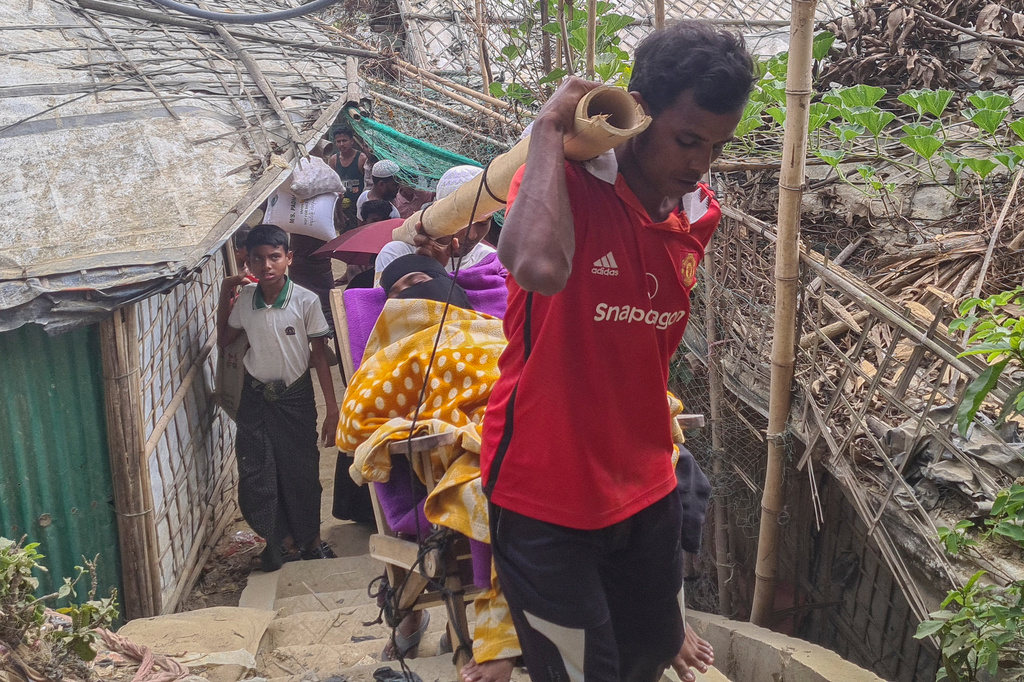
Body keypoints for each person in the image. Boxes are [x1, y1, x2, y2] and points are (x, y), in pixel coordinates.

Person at [479, 20, 755, 682]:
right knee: (581, 673)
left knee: (650, 654)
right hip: (543, 493)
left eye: (716, 146)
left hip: (644, 482)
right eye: (687, 140)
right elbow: (539, 267)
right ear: (638, 112)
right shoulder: (563, 186)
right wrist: (546, 131)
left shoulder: (697, 213)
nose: (699, 163)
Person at [339, 254, 519, 682]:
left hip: (529, 417)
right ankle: (502, 639)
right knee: (499, 493)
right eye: (398, 293)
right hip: (475, 447)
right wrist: (416, 424)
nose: (412, 296)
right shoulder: (398, 350)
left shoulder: (501, 329)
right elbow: (353, 425)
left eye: (420, 282)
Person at [217, 224, 340, 571]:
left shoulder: (305, 300)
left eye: (274, 257)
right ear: (248, 261)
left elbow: (319, 356)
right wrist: (225, 295)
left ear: (288, 258)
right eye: (258, 259)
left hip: (296, 397)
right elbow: (226, 339)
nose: (266, 266)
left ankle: (311, 541)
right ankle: (282, 542)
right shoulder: (245, 300)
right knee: (258, 473)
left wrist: (332, 409)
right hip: (255, 397)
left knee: (301, 471)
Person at [374, 165, 497, 284]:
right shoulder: (398, 254)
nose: (471, 235)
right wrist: (427, 269)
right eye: (461, 221)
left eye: (483, 223)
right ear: (438, 215)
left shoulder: (492, 261)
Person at [328, 126, 367, 231]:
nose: (341, 144)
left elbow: (367, 183)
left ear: (352, 141)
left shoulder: (361, 158)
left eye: (344, 140)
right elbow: (332, 185)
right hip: (341, 206)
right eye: (338, 141)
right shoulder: (334, 160)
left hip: (358, 205)